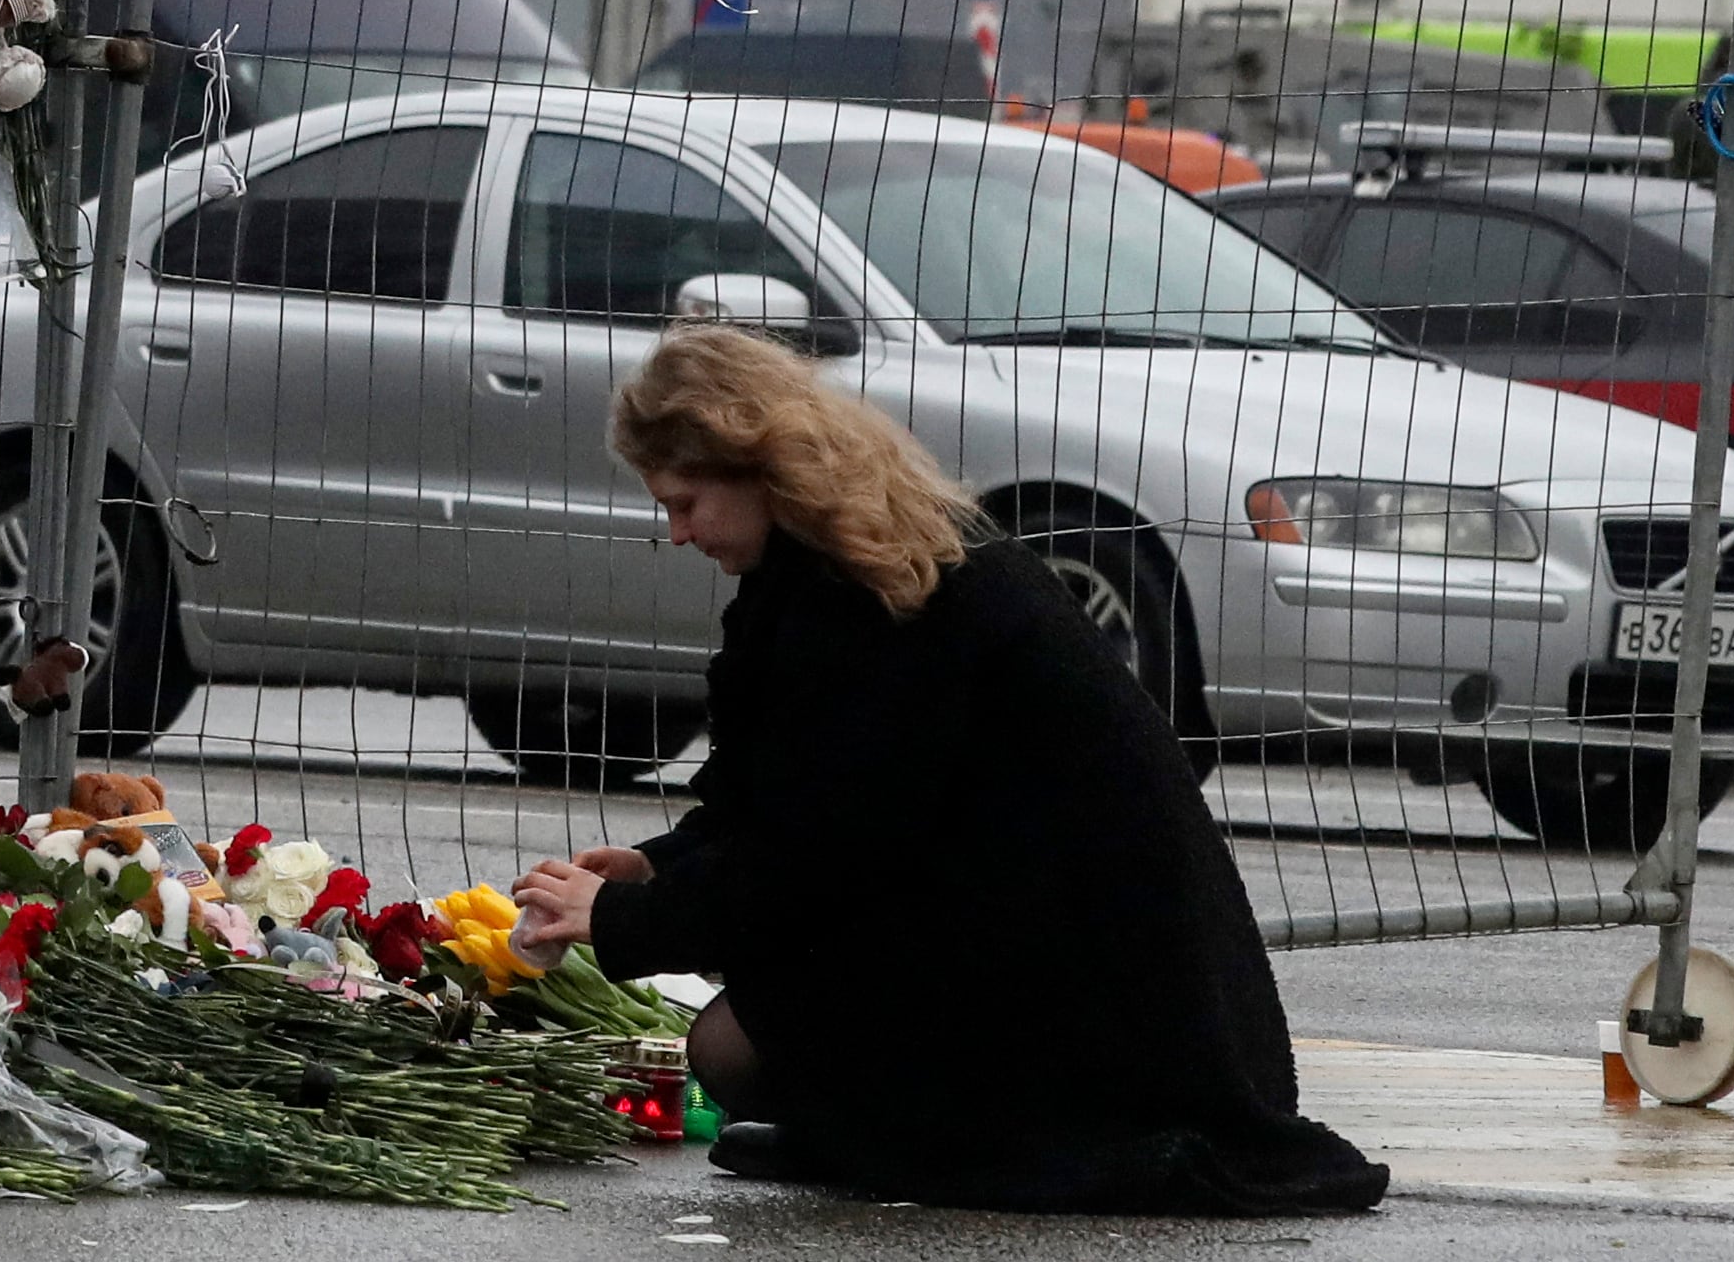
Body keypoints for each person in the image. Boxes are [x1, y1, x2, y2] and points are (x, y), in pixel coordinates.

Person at [506, 325, 1386, 1215]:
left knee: (732, 1046)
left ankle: (913, 1133)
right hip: (1105, 982)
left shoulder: (862, 601)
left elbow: (828, 850)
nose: (678, 533)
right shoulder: (858, 565)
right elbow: (788, 800)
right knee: (756, 1023)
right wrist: (659, 865)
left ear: (759, 467)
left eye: (685, 502)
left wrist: (623, 919)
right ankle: (885, 1127)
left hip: (1102, 1017)